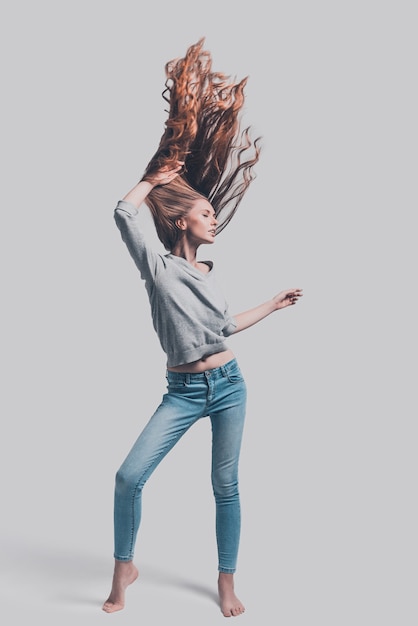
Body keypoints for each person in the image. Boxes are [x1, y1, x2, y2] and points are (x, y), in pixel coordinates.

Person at [103, 38, 302, 618]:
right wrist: (151, 175)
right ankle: (123, 575)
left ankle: (225, 585)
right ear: (181, 217)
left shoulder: (210, 275)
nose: (214, 219)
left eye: (214, 213)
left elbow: (223, 329)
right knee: (128, 478)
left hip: (230, 385)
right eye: (207, 213)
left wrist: (273, 303)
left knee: (226, 489)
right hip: (183, 392)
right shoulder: (156, 266)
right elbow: (122, 212)